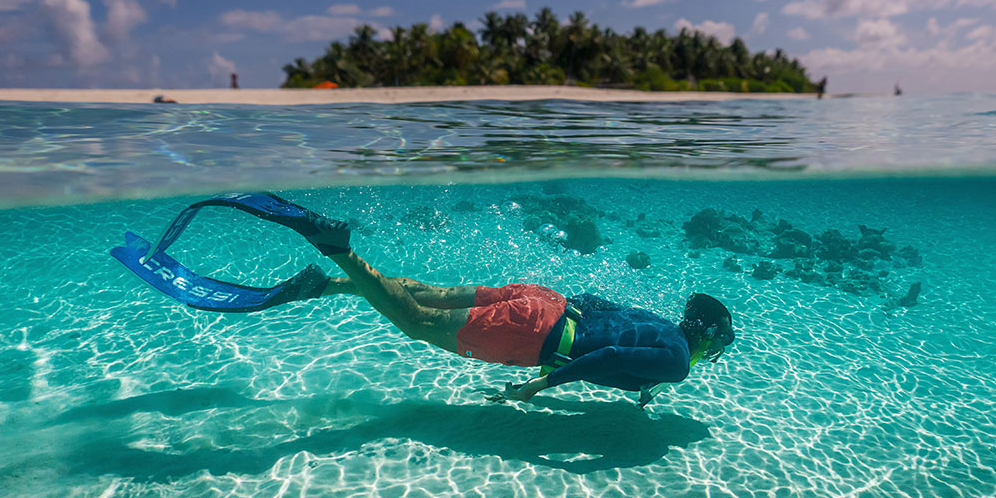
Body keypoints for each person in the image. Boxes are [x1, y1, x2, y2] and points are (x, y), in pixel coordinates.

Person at [114, 194, 735, 407]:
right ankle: (337, 252)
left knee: (418, 291)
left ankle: (331, 284)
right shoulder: (679, 359)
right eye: (716, 348)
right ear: (705, 337)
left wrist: (628, 378)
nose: (707, 355)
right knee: (413, 321)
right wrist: (536, 389)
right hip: (539, 340)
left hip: (541, 301)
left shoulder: (663, 327)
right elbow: (600, 363)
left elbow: (596, 304)